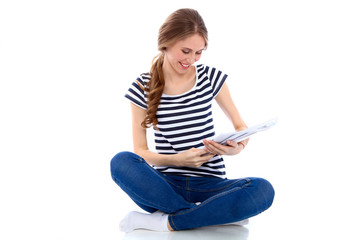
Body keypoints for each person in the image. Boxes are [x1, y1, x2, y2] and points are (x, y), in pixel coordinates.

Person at [110, 8, 274, 232]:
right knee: (121, 162)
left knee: (263, 189)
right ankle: (211, 214)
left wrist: (233, 149)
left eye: (198, 52)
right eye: (185, 51)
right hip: (165, 186)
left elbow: (240, 127)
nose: (191, 59)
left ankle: (166, 220)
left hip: (212, 185)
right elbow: (140, 152)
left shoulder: (210, 77)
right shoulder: (142, 86)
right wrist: (179, 160)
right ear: (165, 43)